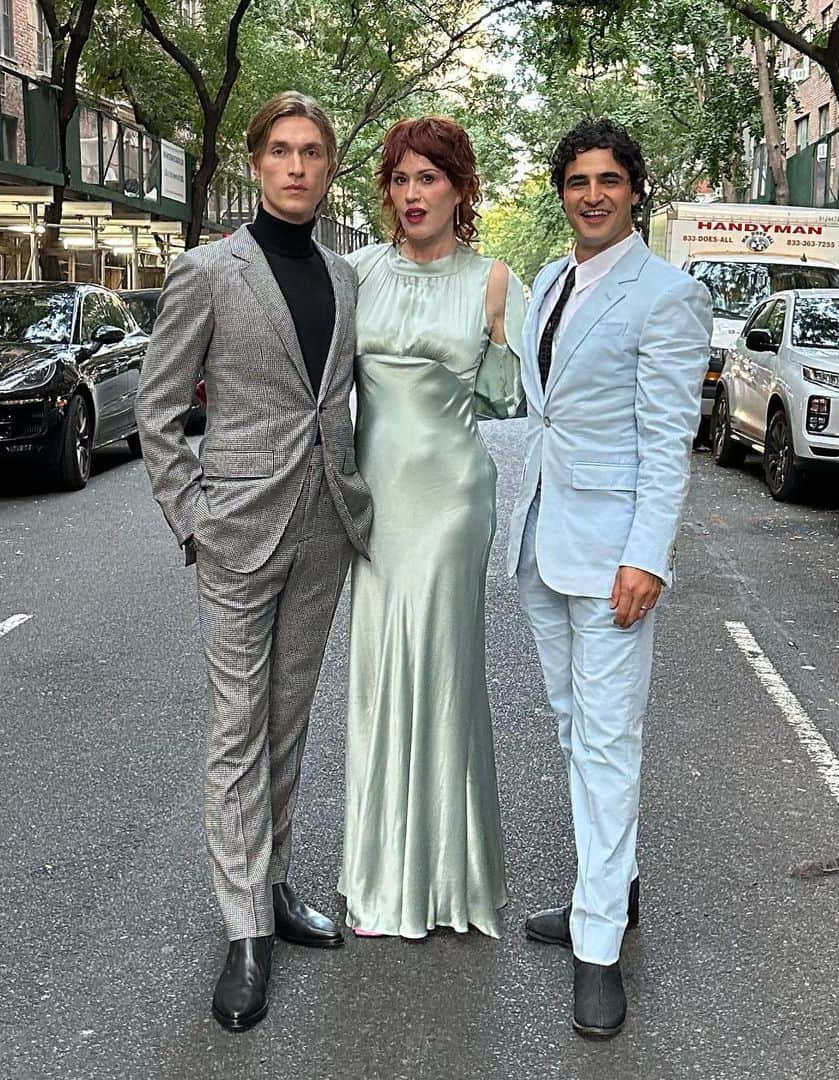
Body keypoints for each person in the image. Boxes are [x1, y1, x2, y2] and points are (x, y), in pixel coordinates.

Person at [135, 91, 372, 1032]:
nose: (298, 167)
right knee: (235, 728)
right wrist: (191, 518)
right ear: (256, 163)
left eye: (313, 152)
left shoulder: (346, 276)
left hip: (322, 529)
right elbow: (158, 410)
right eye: (281, 151)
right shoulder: (208, 271)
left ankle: (270, 886)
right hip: (234, 528)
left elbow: (342, 405)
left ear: (328, 168)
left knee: (285, 725)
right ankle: (244, 932)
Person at [506, 119, 711, 1037]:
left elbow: (668, 441)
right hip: (545, 540)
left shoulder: (668, 294)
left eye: (610, 180)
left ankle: (598, 948)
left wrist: (648, 555)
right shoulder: (551, 280)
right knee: (570, 726)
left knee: (607, 742)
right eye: (578, 181)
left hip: (615, 556)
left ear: (635, 191)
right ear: (564, 191)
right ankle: (611, 888)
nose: (593, 194)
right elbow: (538, 409)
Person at [337, 116, 526, 939]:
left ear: (460, 188)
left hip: (451, 499)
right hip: (375, 501)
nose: (413, 194)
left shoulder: (493, 280)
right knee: (380, 672)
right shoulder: (355, 273)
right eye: (401, 179)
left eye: (430, 178)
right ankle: (382, 876)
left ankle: (450, 877)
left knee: (443, 672)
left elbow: (520, 396)